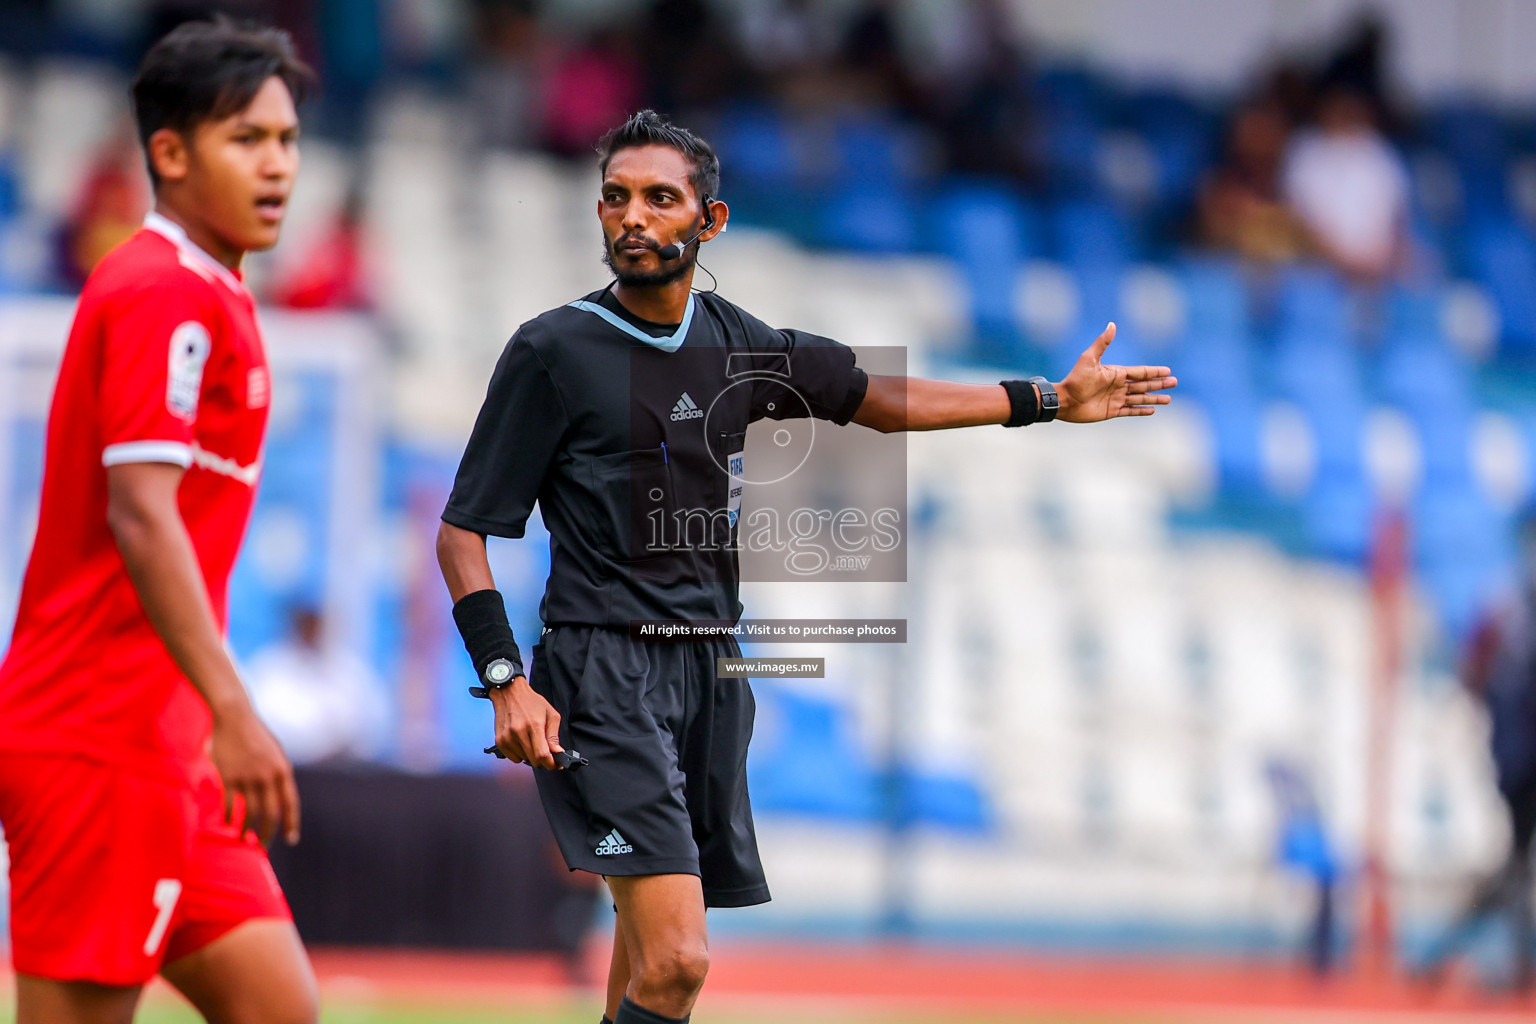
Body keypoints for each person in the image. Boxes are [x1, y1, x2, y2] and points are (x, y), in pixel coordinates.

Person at [436, 109, 1178, 1024]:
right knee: (678, 963)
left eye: (661, 199)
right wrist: (506, 678)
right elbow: (463, 532)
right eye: (618, 199)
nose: (634, 217)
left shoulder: (741, 345)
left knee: (641, 967)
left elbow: (878, 398)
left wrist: (1047, 400)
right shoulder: (553, 351)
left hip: (710, 671)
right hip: (604, 672)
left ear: (708, 223)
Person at [0, 20, 317, 1024]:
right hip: (98, 741)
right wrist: (234, 705)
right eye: (246, 139)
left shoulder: (213, 293)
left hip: (173, 750)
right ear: (170, 154)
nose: (277, 165)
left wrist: (205, 718)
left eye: (287, 139)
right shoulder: (160, 291)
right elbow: (141, 513)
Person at [1417, 511, 1536, 991]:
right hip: (1521, 756)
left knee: (1516, 863)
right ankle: (1473, 955)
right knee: (1516, 865)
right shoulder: (1511, 604)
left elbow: (1473, 670)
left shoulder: (1507, 602)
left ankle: (1485, 956)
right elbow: (1474, 668)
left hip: (1514, 752)